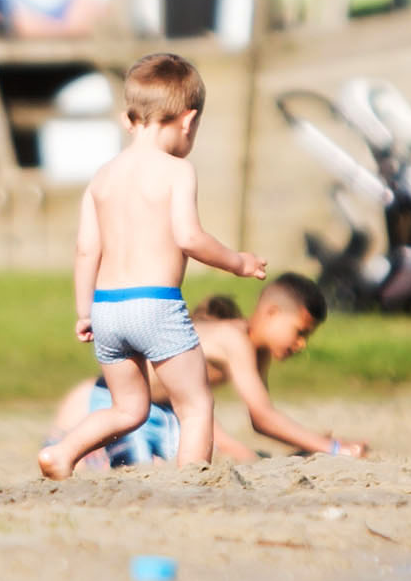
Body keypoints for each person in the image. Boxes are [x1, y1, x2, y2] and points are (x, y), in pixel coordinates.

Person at [43, 52, 273, 477]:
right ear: (188, 121)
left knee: (127, 408)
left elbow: (85, 248)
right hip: (156, 305)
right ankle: (191, 482)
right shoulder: (176, 172)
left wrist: (82, 311)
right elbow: (188, 238)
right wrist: (237, 262)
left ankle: (61, 452)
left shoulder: (102, 177)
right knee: (196, 405)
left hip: (107, 307)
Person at [46, 278, 373, 466]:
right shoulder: (234, 339)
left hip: (153, 414)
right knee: (141, 476)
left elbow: (196, 403)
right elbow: (263, 417)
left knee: (197, 465)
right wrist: (331, 449)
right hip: (100, 406)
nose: (301, 344)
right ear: (271, 313)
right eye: (300, 331)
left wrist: (237, 448)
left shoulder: (255, 352)